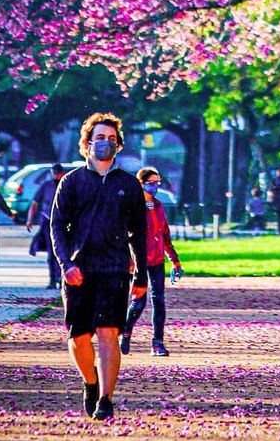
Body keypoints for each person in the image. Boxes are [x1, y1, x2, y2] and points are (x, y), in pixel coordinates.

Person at [50, 112, 148, 421]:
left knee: (108, 333)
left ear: (119, 145)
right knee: (79, 337)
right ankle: (90, 383)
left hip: (115, 268)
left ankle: (106, 398)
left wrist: (141, 274)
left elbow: (139, 233)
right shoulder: (72, 182)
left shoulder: (129, 185)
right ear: (88, 143)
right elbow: (57, 227)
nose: (105, 143)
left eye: (111, 138)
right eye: (99, 137)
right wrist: (66, 265)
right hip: (78, 271)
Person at [134, 166, 182, 356]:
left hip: (156, 261)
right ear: (141, 184)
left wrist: (175, 261)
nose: (155, 186)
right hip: (138, 261)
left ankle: (157, 342)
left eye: (157, 183)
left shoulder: (159, 206)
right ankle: (126, 333)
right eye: (151, 183)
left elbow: (164, 235)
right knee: (138, 302)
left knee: (159, 301)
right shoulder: (133, 206)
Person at [27, 162, 66, 288]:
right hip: (47, 221)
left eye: (57, 174)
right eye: (54, 174)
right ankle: (52, 280)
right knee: (51, 251)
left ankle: (60, 278)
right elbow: (35, 203)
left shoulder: (66, 185)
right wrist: (30, 219)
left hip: (62, 221)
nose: (55, 176)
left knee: (61, 251)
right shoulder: (46, 186)